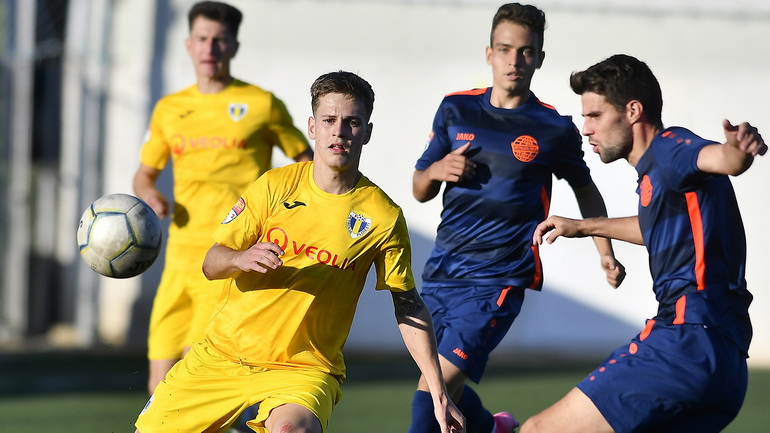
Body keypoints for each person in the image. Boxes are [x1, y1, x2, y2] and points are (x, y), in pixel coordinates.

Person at [134, 71, 466, 433]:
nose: (339, 132)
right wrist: (240, 258)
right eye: (329, 120)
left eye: (352, 122)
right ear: (312, 127)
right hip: (221, 355)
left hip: (303, 370)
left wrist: (439, 392)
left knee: (293, 430)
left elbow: (408, 305)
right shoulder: (274, 186)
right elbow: (211, 263)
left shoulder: (383, 217)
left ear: (367, 132)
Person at [408, 4, 625, 433]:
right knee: (446, 385)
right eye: (505, 49)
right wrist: (436, 171)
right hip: (443, 272)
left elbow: (585, 189)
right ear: (489, 53)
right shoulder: (455, 109)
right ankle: (494, 428)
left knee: (431, 392)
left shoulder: (552, 127)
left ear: (539, 58)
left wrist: (605, 252)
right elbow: (419, 187)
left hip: (499, 278)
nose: (515, 60)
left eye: (526, 51)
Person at [525, 54, 766, 433]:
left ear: (633, 111)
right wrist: (584, 227)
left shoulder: (669, 149)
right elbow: (655, 226)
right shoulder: (659, 175)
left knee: (539, 430)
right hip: (726, 363)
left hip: (685, 341)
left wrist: (737, 149)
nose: (586, 129)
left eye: (595, 115)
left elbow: (723, 159)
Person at [133, 1, 313, 396]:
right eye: (202, 39)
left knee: (194, 383)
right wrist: (151, 196)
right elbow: (144, 175)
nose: (210, 48)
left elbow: (309, 166)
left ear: (233, 46)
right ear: (189, 44)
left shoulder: (261, 104)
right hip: (179, 261)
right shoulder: (169, 109)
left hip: (228, 261)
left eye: (219, 40)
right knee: (158, 388)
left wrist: (290, 215)